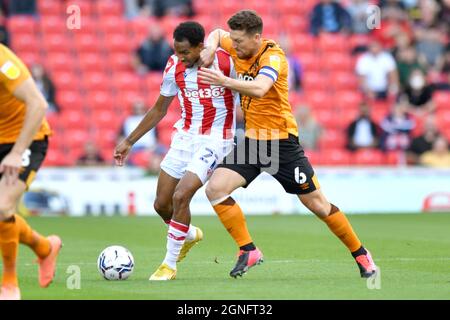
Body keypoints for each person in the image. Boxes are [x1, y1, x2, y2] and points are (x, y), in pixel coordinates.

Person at [198, 10, 377, 279]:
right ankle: (248, 250)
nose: (234, 46)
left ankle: (361, 254)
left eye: (239, 42)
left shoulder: (274, 57)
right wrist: (211, 48)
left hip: (282, 144)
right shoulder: (235, 41)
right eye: (233, 41)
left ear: (257, 37)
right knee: (216, 188)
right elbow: (216, 34)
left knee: (318, 205)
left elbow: (259, 88)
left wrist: (224, 80)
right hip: (254, 142)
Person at [114, 22, 239, 280]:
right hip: (184, 138)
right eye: (177, 51)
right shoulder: (173, 66)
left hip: (216, 139)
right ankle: (189, 234)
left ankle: (169, 265)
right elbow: (159, 109)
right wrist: (129, 141)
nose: (181, 57)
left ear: (200, 47)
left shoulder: (226, 62)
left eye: (185, 52)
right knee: (161, 204)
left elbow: (249, 92)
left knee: (182, 195)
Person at [0, 44, 61, 300]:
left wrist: (16, 152)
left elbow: (38, 103)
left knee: (2, 207)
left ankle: (10, 282)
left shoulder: (3, 62)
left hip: (26, 138)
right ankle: (45, 247)